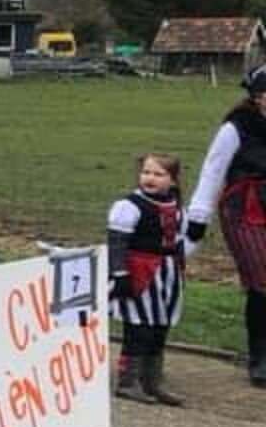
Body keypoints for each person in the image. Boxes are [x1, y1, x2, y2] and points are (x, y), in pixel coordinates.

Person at [186, 64, 266, 386]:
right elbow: (212, 171)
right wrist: (197, 218)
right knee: (262, 279)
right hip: (244, 207)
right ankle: (260, 356)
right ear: (258, 97)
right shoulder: (237, 127)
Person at [109, 152, 188, 406]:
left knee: (159, 329)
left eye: (158, 174)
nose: (150, 178)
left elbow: (178, 241)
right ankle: (127, 381)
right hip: (139, 273)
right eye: (146, 172)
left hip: (166, 275)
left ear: (172, 181)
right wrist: (119, 274)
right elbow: (117, 244)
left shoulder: (175, 207)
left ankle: (152, 381)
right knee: (138, 328)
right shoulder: (129, 206)